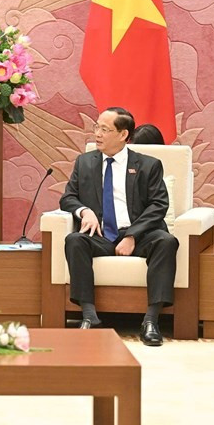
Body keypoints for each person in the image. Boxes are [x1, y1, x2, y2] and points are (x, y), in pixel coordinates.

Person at [59, 107, 178, 346]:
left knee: (166, 242)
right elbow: (68, 198)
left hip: (138, 234)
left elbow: (158, 205)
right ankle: (89, 316)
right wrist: (84, 211)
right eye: (97, 127)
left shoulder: (148, 165)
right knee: (75, 240)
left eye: (105, 129)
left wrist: (132, 235)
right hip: (101, 234)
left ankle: (151, 320)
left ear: (123, 135)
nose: (97, 134)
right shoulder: (85, 162)